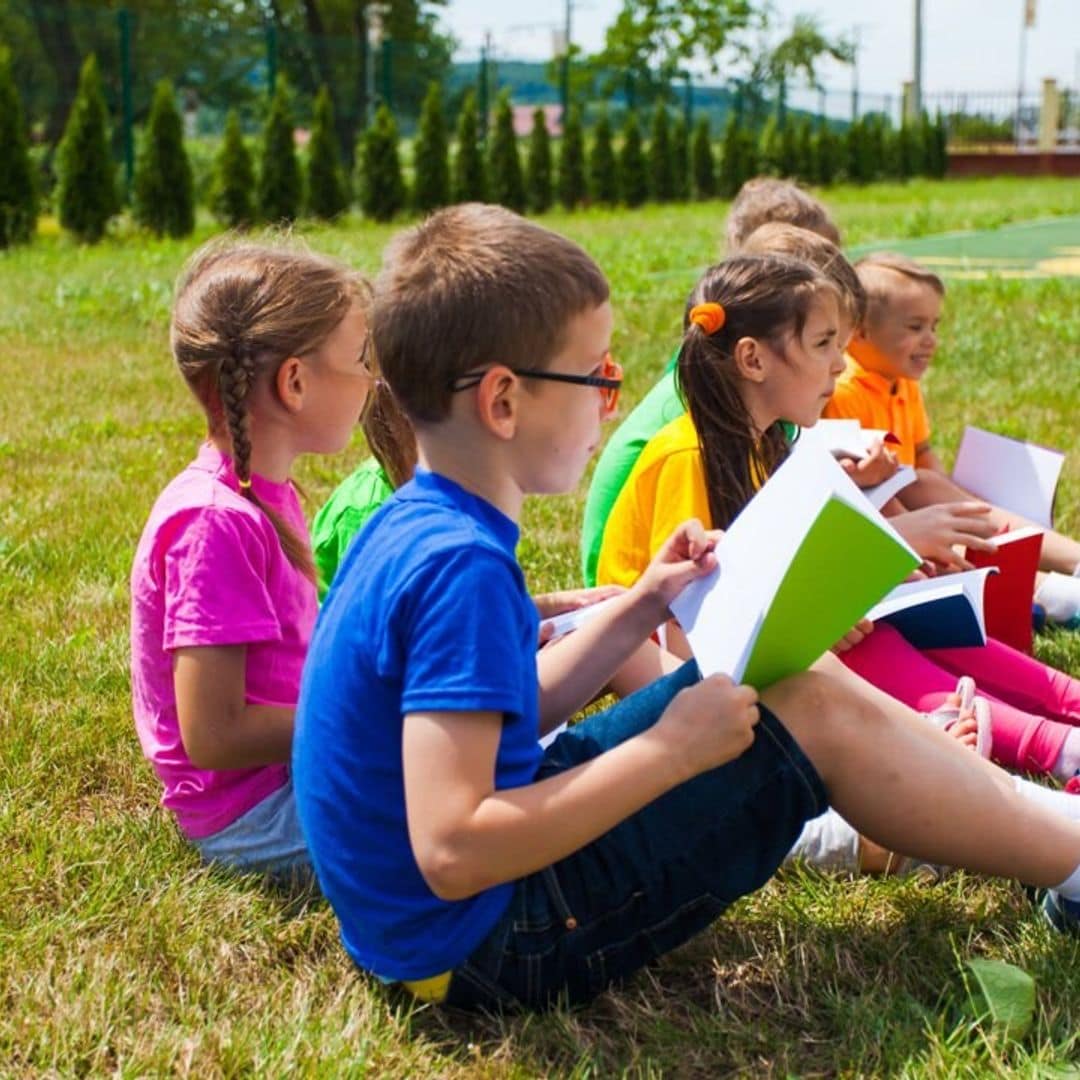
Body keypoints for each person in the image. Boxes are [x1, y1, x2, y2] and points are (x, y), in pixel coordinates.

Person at [293, 205, 1080, 1014]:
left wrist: (639, 609)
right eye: (599, 376)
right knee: (804, 714)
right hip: (488, 942)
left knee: (797, 682)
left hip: (442, 922)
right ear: (502, 402)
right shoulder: (459, 565)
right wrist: (670, 749)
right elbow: (453, 849)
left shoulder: (421, 522)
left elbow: (507, 719)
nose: (612, 403)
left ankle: (1053, 831)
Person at [598, 252, 1080, 786]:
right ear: (753, 360)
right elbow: (689, 623)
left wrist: (844, 594)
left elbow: (775, 570)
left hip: (754, 648)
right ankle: (1055, 746)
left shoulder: (766, 442)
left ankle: (1067, 712)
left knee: (900, 620)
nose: (839, 364)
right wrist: (827, 608)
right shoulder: (688, 455)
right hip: (685, 679)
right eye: (824, 344)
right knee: (867, 644)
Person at [130, 239, 375, 879]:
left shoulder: (260, 491)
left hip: (295, 772)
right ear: (295, 382)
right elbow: (213, 734)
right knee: (465, 804)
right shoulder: (216, 522)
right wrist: (363, 717)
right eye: (363, 360)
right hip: (255, 815)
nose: (374, 380)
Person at [823, 251, 1080, 624]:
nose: (930, 340)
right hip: (888, 526)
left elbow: (924, 454)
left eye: (934, 326)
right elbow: (873, 496)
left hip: (914, 509)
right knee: (930, 496)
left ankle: (1068, 561)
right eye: (914, 327)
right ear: (859, 331)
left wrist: (957, 500)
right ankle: (1044, 589)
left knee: (934, 487)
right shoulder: (843, 393)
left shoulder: (902, 382)